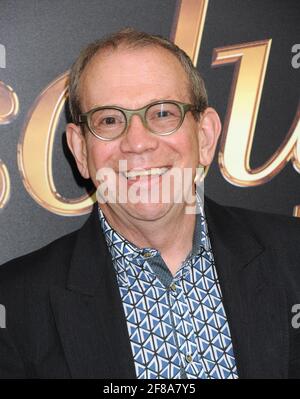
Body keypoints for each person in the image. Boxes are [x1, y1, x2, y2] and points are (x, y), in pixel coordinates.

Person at [0, 28, 299, 379]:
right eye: (109, 120)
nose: (137, 143)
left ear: (204, 136)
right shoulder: (14, 306)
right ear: (80, 150)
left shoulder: (293, 255)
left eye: (162, 114)